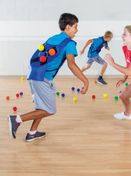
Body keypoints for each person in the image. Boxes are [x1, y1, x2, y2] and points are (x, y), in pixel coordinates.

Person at [8, 13, 89, 142]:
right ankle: (17, 119)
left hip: (34, 74)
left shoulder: (53, 38)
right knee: (50, 110)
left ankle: (32, 133)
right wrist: (86, 81)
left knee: (41, 107)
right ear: (68, 27)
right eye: (75, 26)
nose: (77, 30)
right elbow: (72, 65)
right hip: (43, 78)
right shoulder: (69, 43)